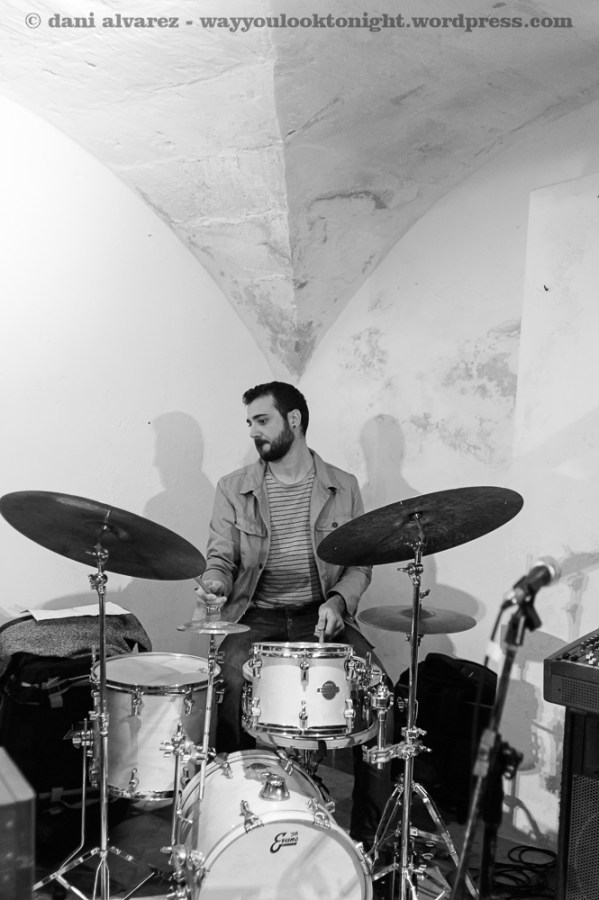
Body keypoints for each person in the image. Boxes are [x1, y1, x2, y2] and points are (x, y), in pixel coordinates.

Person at [195, 380, 391, 847]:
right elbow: (220, 558)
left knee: (381, 696)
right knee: (227, 688)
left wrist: (338, 601)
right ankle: (233, 825)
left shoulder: (343, 486)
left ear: (295, 420)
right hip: (256, 616)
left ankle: (372, 839)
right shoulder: (233, 488)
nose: (253, 432)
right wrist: (216, 583)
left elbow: (359, 564)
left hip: (319, 616)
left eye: (262, 420)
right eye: (250, 423)